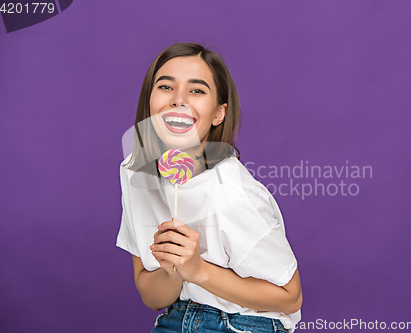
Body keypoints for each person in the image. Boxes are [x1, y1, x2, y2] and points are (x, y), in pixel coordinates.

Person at [116, 42, 302, 333]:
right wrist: (173, 268)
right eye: (165, 87)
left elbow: (290, 298)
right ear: (149, 101)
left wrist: (198, 269)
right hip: (175, 318)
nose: (179, 100)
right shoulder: (134, 174)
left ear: (218, 114)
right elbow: (152, 297)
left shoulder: (233, 191)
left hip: (246, 324)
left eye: (197, 90)